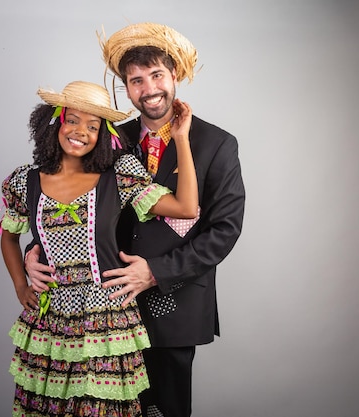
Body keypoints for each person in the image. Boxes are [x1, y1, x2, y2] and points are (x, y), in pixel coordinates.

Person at [26, 23, 246, 417]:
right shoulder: (107, 138)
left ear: (174, 75)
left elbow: (224, 230)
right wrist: (33, 251)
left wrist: (155, 272)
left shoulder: (217, 144)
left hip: (174, 301)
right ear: (124, 89)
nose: (149, 89)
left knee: (168, 408)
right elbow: (65, 203)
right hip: (103, 307)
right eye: (136, 80)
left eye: (157, 76)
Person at [0, 80, 198, 417]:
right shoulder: (26, 181)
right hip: (50, 318)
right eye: (72, 120)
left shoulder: (118, 175)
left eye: (93, 126)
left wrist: (181, 139)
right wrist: (20, 284)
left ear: (103, 135)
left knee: (99, 409)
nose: (81, 132)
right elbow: (8, 235)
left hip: (104, 316)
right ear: (54, 122)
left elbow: (186, 208)